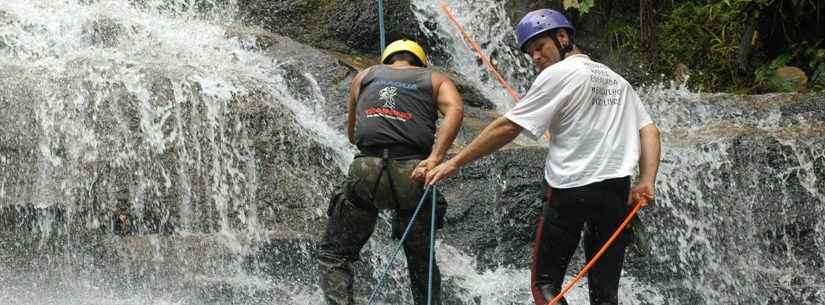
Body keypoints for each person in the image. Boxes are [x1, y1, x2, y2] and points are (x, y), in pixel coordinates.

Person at [424, 9, 661, 305]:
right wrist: (647, 180)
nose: (535, 57)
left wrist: (455, 161)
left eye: (540, 47)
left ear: (562, 37)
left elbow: (508, 126)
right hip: (615, 193)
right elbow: (649, 130)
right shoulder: (616, 80)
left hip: (571, 190)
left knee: (545, 286)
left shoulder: (558, 74)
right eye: (530, 52)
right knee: (605, 295)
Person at [318, 39, 464, 305]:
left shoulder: (364, 76)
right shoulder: (435, 80)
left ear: (387, 60)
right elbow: (456, 108)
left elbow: (352, 135)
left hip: (367, 171)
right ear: (420, 62)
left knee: (335, 255)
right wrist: (436, 157)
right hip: (414, 172)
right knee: (421, 261)